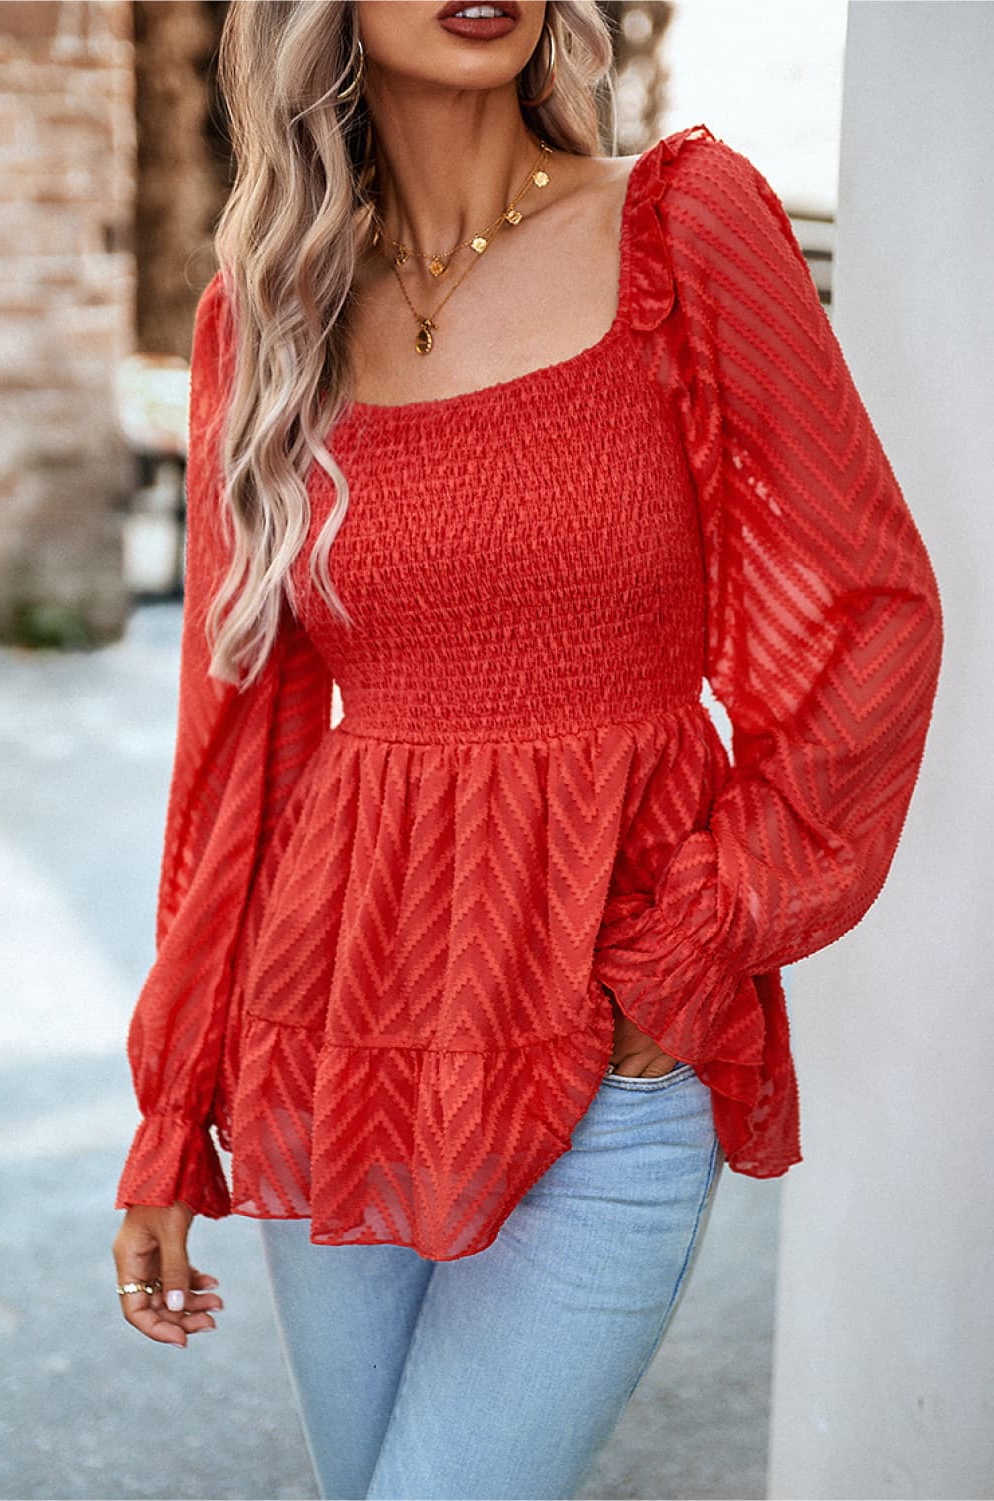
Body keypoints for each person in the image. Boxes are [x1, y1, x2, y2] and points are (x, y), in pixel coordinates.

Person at [111, 2, 944, 1497]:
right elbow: (235, 744)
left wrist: (697, 940)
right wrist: (175, 1113)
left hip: (607, 1044)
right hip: (340, 1039)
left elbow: (867, 605)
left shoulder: (685, 226)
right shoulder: (270, 312)